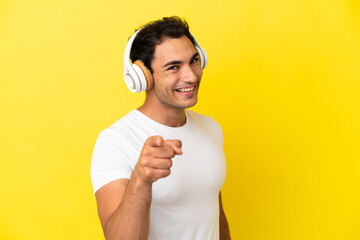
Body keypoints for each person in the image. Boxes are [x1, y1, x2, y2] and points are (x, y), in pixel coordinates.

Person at [91, 16, 231, 240]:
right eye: (173, 67)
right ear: (143, 77)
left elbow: (215, 215)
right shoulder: (115, 141)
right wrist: (141, 178)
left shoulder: (210, 128)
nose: (191, 76)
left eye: (194, 61)